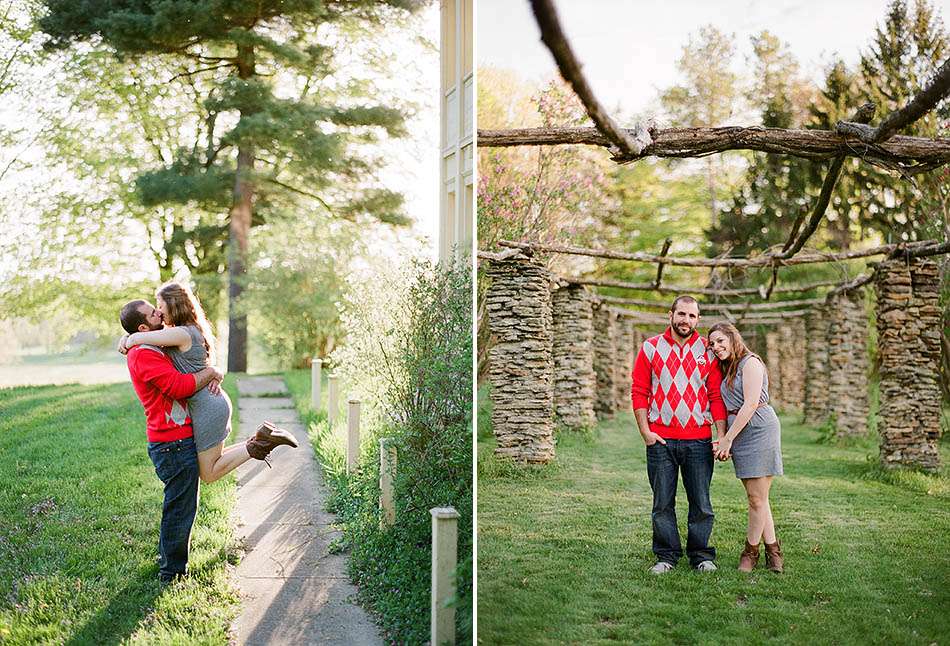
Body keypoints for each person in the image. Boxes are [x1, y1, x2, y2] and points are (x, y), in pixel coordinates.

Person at [119, 283, 298, 483]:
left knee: (209, 473)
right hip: (210, 403)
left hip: (207, 407)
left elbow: (140, 337)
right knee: (212, 462)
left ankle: (262, 443)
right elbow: (145, 336)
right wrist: (129, 336)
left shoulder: (181, 333)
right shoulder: (184, 330)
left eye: (160, 306)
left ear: (173, 305)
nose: (159, 312)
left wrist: (129, 338)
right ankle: (263, 438)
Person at [630, 295, 727, 574]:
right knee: (662, 504)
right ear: (670, 315)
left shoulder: (708, 352)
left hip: (698, 440)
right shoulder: (650, 348)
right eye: (681, 314)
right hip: (661, 440)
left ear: (698, 319)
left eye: (692, 316)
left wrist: (719, 436)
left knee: (701, 503)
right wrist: (646, 432)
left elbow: (715, 396)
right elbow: (639, 391)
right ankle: (666, 557)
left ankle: (701, 556)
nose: (686, 320)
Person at [708, 321, 784, 573]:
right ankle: (774, 552)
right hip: (739, 431)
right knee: (759, 498)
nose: (716, 347)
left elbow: (750, 404)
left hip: (759, 428)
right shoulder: (726, 366)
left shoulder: (750, 362)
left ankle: (750, 552)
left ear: (732, 338)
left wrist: (727, 439)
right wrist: (726, 434)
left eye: (720, 340)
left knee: (756, 499)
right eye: (712, 344)